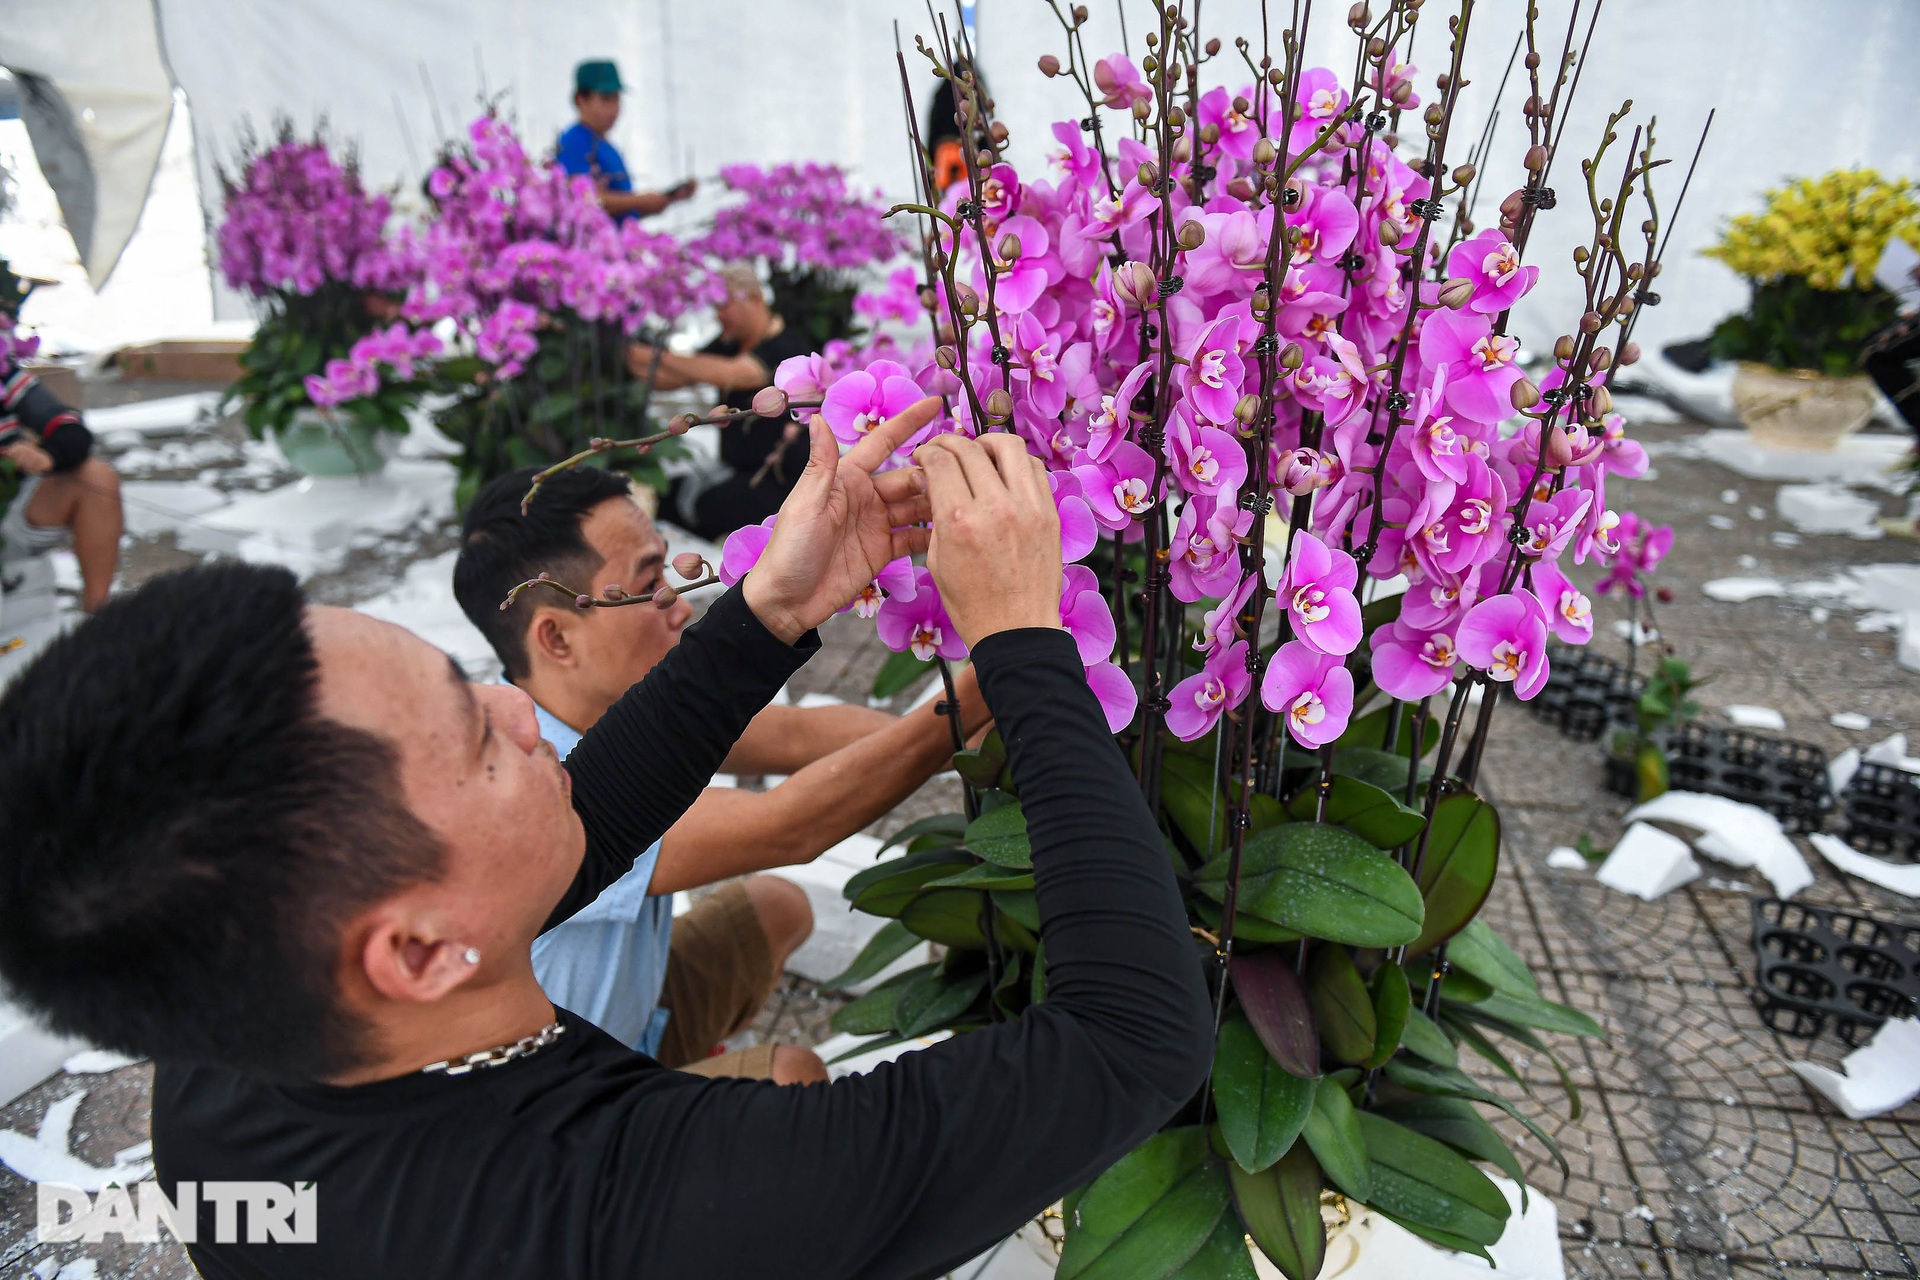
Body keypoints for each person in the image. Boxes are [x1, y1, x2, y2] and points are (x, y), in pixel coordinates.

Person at [0, 400, 1212, 1278]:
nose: (518, 707)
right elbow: (1136, 1035)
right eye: (477, 740)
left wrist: (777, 605)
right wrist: (1026, 645)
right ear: (420, 953)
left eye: (466, 683)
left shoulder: (234, 1053)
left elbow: (577, 825)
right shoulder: (659, 1209)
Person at [451, 462, 990, 1082]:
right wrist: (980, 689)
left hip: (629, 1022)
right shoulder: (540, 788)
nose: (678, 603)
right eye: (649, 581)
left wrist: (970, 741)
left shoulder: (596, 702)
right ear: (557, 639)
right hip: (559, 1116)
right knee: (790, 1078)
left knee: (775, 909)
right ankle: (670, 1118)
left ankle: (676, 1063)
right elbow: (790, 826)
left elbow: (794, 734)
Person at [631, 263, 817, 539]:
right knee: (669, 498)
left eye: (723, 304)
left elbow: (733, 374)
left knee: (698, 508)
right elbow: (673, 377)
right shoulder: (729, 343)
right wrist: (627, 356)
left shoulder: (788, 346)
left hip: (777, 480)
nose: (718, 315)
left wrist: (651, 354)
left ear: (754, 298)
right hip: (736, 471)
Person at [0, 355, 121, 612]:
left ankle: (98, 617)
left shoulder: (5, 375)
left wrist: (46, 455)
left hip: (10, 510)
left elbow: (68, 426)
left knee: (96, 477)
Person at [556, 60, 695, 222]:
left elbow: (621, 212)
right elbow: (582, 198)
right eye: (606, 99)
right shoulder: (574, 141)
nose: (614, 108)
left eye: (617, 99)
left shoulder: (607, 147)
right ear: (581, 100)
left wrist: (667, 199)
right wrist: (639, 200)